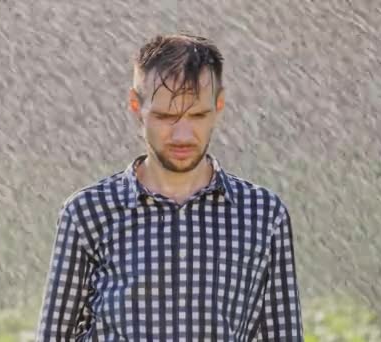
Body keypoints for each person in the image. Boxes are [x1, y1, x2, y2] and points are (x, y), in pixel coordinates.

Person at [35, 33, 304, 341]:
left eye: (198, 115)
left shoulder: (264, 215)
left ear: (219, 105)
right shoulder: (88, 213)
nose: (182, 135)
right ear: (136, 105)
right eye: (166, 116)